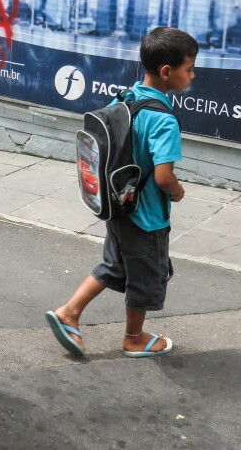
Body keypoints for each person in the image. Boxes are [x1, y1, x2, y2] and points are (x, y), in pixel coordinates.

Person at [45, 27, 198, 359]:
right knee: (144, 276)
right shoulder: (164, 120)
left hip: (117, 206)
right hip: (146, 217)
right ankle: (134, 338)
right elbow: (162, 176)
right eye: (189, 69)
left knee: (115, 265)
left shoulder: (127, 96)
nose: (192, 75)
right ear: (167, 72)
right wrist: (178, 191)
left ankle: (69, 313)